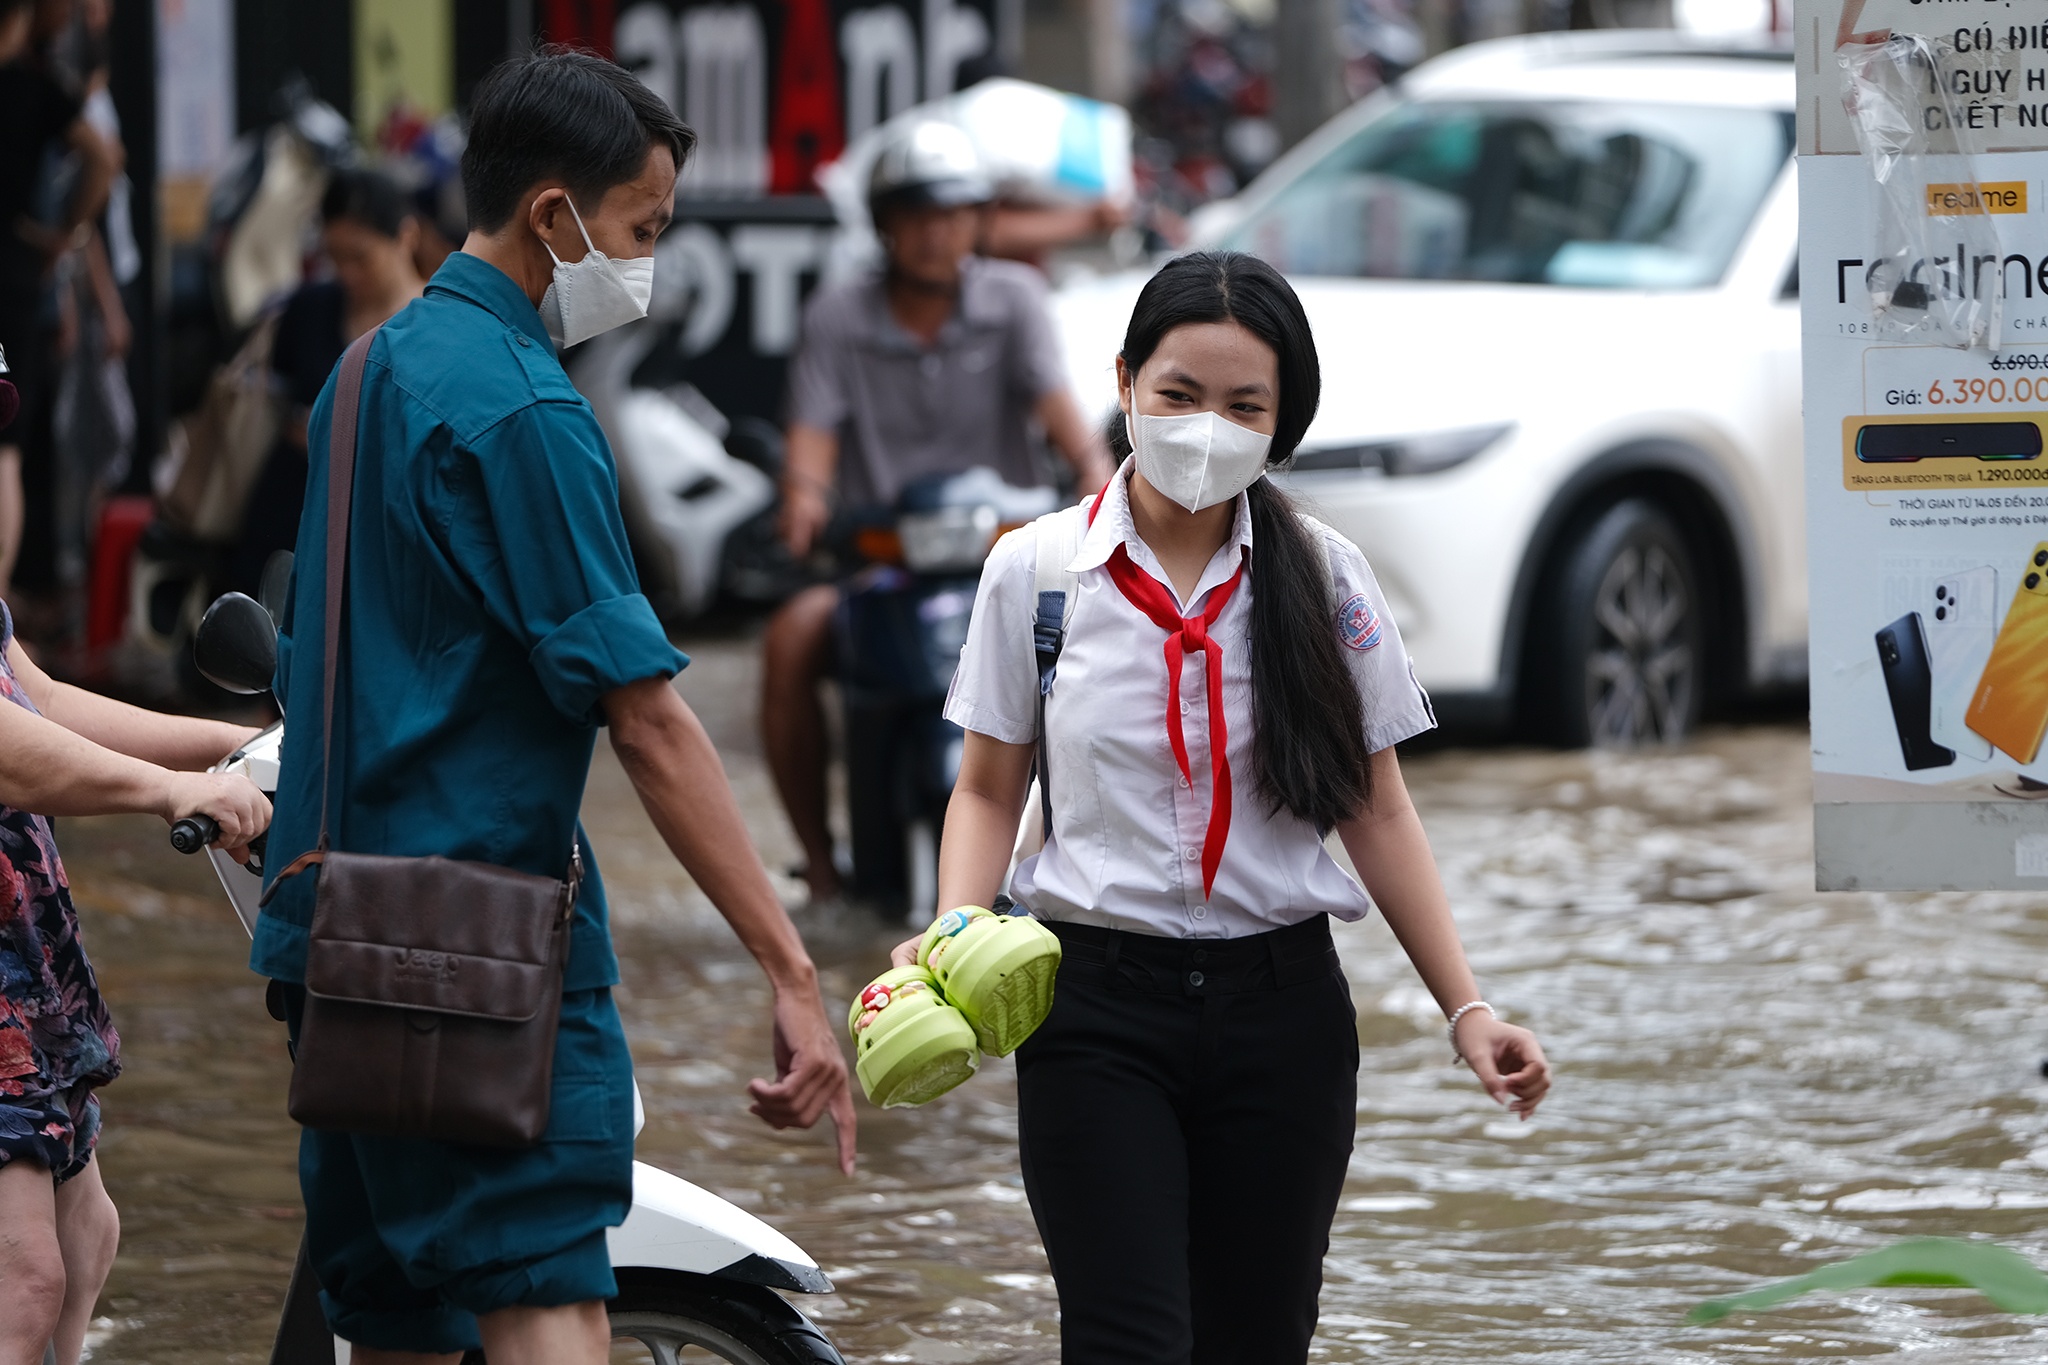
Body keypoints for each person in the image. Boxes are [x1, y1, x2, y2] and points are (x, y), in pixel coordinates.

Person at [255, 48, 855, 1365]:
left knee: (395, 1317)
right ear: (553, 217)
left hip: (330, 939)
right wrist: (791, 966)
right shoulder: (525, 407)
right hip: (476, 950)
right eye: (641, 229)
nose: (645, 262)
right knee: (543, 1299)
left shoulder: (367, 371)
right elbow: (647, 721)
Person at [901, 251, 1552, 1362]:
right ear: (1123, 385)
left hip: (1282, 1016)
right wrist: (951, 940)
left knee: (1257, 1340)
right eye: (1178, 394)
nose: (1206, 425)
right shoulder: (1037, 572)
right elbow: (987, 785)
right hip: (1092, 1010)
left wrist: (1467, 1012)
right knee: (1127, 1343)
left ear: (1280, 419)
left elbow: (1376, 812)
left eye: (1242, 404)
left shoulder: (1328, 579)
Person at [767, 118, 1114, 905]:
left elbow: (1064, 417)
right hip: (884, 564)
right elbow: (812, 443)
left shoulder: (1014, 299)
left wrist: (1098, 480)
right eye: (919, 215)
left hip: (1009, 557)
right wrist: (803, 501)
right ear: (885, 224)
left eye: (955, 213)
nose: (938, 233)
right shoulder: (838, 315)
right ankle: (822, 864)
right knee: (789, 641)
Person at [0, 595, 269, 1365]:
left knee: (87, 1236)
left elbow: (37, 702)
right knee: (23, 1280)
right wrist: (166, 789)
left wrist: (230, 746)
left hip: (24, 957)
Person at [227, 167, 425, 598]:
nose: (347, 273)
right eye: (335, 257)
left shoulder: (433, 325)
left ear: (405, 237)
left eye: (360, 257)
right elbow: (277, 397)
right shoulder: (310, 307)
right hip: (293, 510)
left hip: (383, 523)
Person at [0, 0, 109, 605]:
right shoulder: (31, 87)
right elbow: (104, 157)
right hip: (12, 270)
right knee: (5, 448)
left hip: (17, 277)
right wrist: (65, 234)